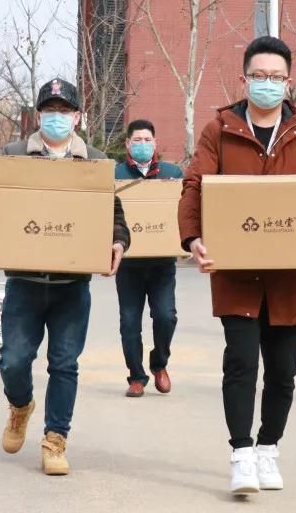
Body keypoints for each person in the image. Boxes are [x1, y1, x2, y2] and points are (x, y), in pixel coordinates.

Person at [178, 36, 296, 496]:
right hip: (236, 273)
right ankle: (241, 453)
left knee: (283, 371)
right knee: (240, 363)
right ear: (244, 79)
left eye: (276, 77)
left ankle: (267, 449)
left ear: (288, 81)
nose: (267, 84)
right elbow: (195, 185)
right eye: (259, 76)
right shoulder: (219, 130)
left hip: (290, 277)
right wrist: (193, 238)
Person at [0, 78, 131, 477]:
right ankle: (20, 405)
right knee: (13, 360)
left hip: (71, 287)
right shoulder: (12, 157)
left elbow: (113, 215)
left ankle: (55, 439)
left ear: (77, 117)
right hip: (24, 283)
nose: (56, 117)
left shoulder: (95, 162)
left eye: (64, 110)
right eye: (49, 110)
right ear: (38, 115)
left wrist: (117, 242)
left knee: (64, 364)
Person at [114, 119, 183, 398]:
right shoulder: (116, 175)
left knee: (166, 316)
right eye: (137, 140)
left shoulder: (171, 173)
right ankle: (136, 376)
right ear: (128, 144)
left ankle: (159, 364)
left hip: (162, 264)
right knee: (129, 322)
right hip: (128, 264)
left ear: (155, 143)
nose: (143, 144)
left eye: (147, 140)